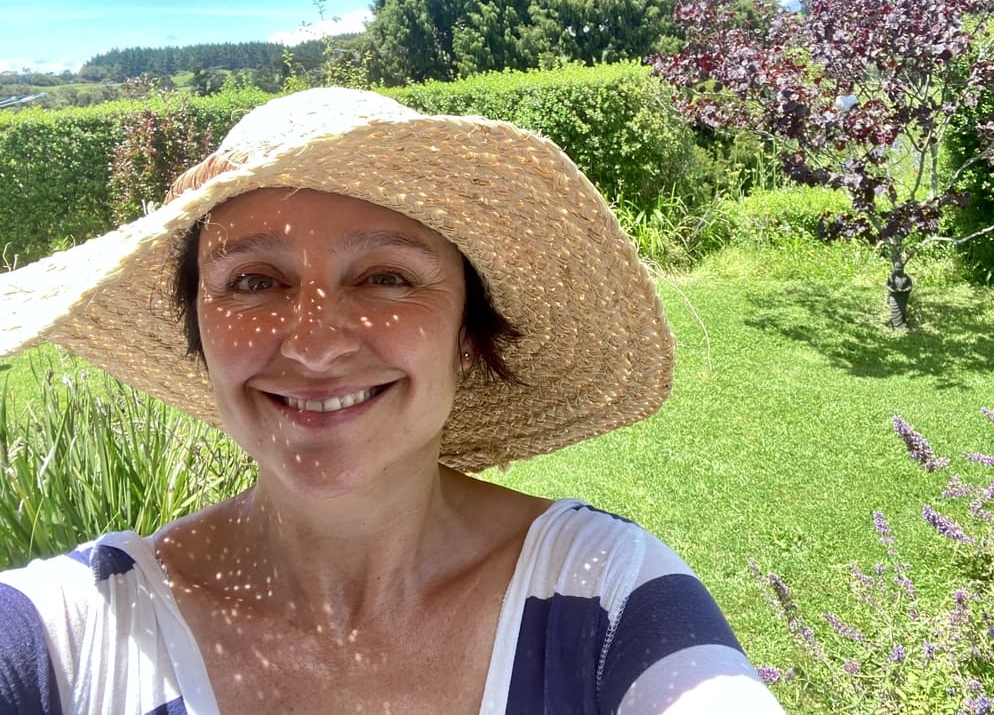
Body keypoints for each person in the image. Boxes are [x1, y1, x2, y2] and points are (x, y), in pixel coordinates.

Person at [0, 88, 782, 714]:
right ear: (199, 335)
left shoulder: (603, 596)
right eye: (254, 281)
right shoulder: (73, 635)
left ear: (467, 334)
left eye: (386, 278)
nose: (312, 345)